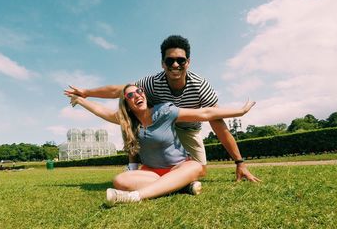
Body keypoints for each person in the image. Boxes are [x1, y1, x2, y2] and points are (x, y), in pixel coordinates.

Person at [65, 35, 261, 182]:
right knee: (128, 116)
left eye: (180, 60)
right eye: (169, 61)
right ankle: (134, 167)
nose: (175, 64)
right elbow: (120, 90)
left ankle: (168, 179)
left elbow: (213, 118)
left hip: (189, 128)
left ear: (188, 62)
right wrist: (87, 93)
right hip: (159, 126)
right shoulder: (151, 83)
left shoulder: (200, 86)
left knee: (199, 170)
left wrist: (239, 162)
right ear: (162, 63)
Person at [65, 84, 256, 205]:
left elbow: (204, 113)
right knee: (120, 181)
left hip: (181, 167)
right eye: (130, 95)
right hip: (152, 172)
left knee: (196, 166)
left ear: (145, 95)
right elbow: (100, 110)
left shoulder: (164, 111)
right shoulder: (127, 121)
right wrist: (81, 99)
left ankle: (134, 197)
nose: (137, 95)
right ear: (127, 103)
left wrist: (239, 112)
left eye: (139, 91)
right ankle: (181, 187)